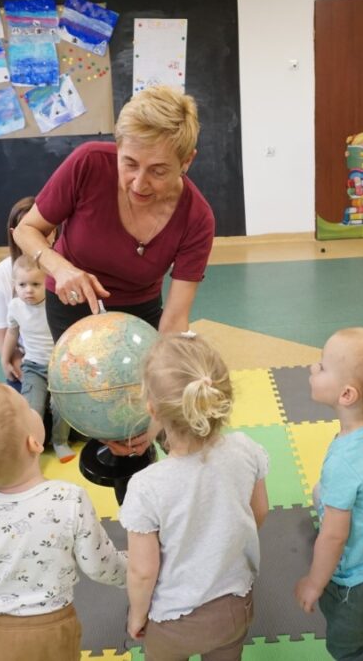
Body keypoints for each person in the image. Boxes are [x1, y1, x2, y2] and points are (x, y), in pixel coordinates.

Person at [13, 86, 215, 474]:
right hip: (72, 305)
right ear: (117, 147)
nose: (139, 183)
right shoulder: (88, 163)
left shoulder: (197, 218)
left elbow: (174, 322)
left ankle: (145, 510)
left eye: (158, 170)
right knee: (101, 406)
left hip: (141, 315)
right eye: (130, 164)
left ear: (187, 161)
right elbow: (27, 230)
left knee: (141, 415)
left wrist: (158, 416)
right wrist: (60, 268)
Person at [0, 382, 128, 661]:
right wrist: (133, 569)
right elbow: (100, 565)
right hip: (46, 629)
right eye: (27, 407)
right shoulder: (67, 499)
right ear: (34, 443)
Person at [119, 333, 269, 659]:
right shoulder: (246, 449)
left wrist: (136, 615)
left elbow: (143, 571)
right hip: (235, 607)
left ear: (151, 409)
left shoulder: (146, 486)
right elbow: (259, 511)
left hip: (174, 622)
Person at [294, 327, 363, 661]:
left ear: (346, 395)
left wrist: (315, 583)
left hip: (354, 585)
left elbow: (332, 537)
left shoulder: (345, 460)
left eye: (322, 366)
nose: (313, 369)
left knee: (352, 649)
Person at [1, 255, 74, 462]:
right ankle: (31, 444)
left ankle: (60, 441)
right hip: (33, 366)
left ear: (47, 284)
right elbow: (12, 333)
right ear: (15, 285)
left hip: (59, 366)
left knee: (60, 406)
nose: (28, 290)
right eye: (22, 284)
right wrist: (5, 360)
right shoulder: (15, 306)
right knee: (32, 407)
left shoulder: (55, 303)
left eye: (35, 284)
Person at [0, 196, 39, 391]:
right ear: (14, 233)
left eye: (43, 230)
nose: (37, 237)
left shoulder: (65, 269)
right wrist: (15, 364)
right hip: (29, 362)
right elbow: (3, 335)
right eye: (28, 231)